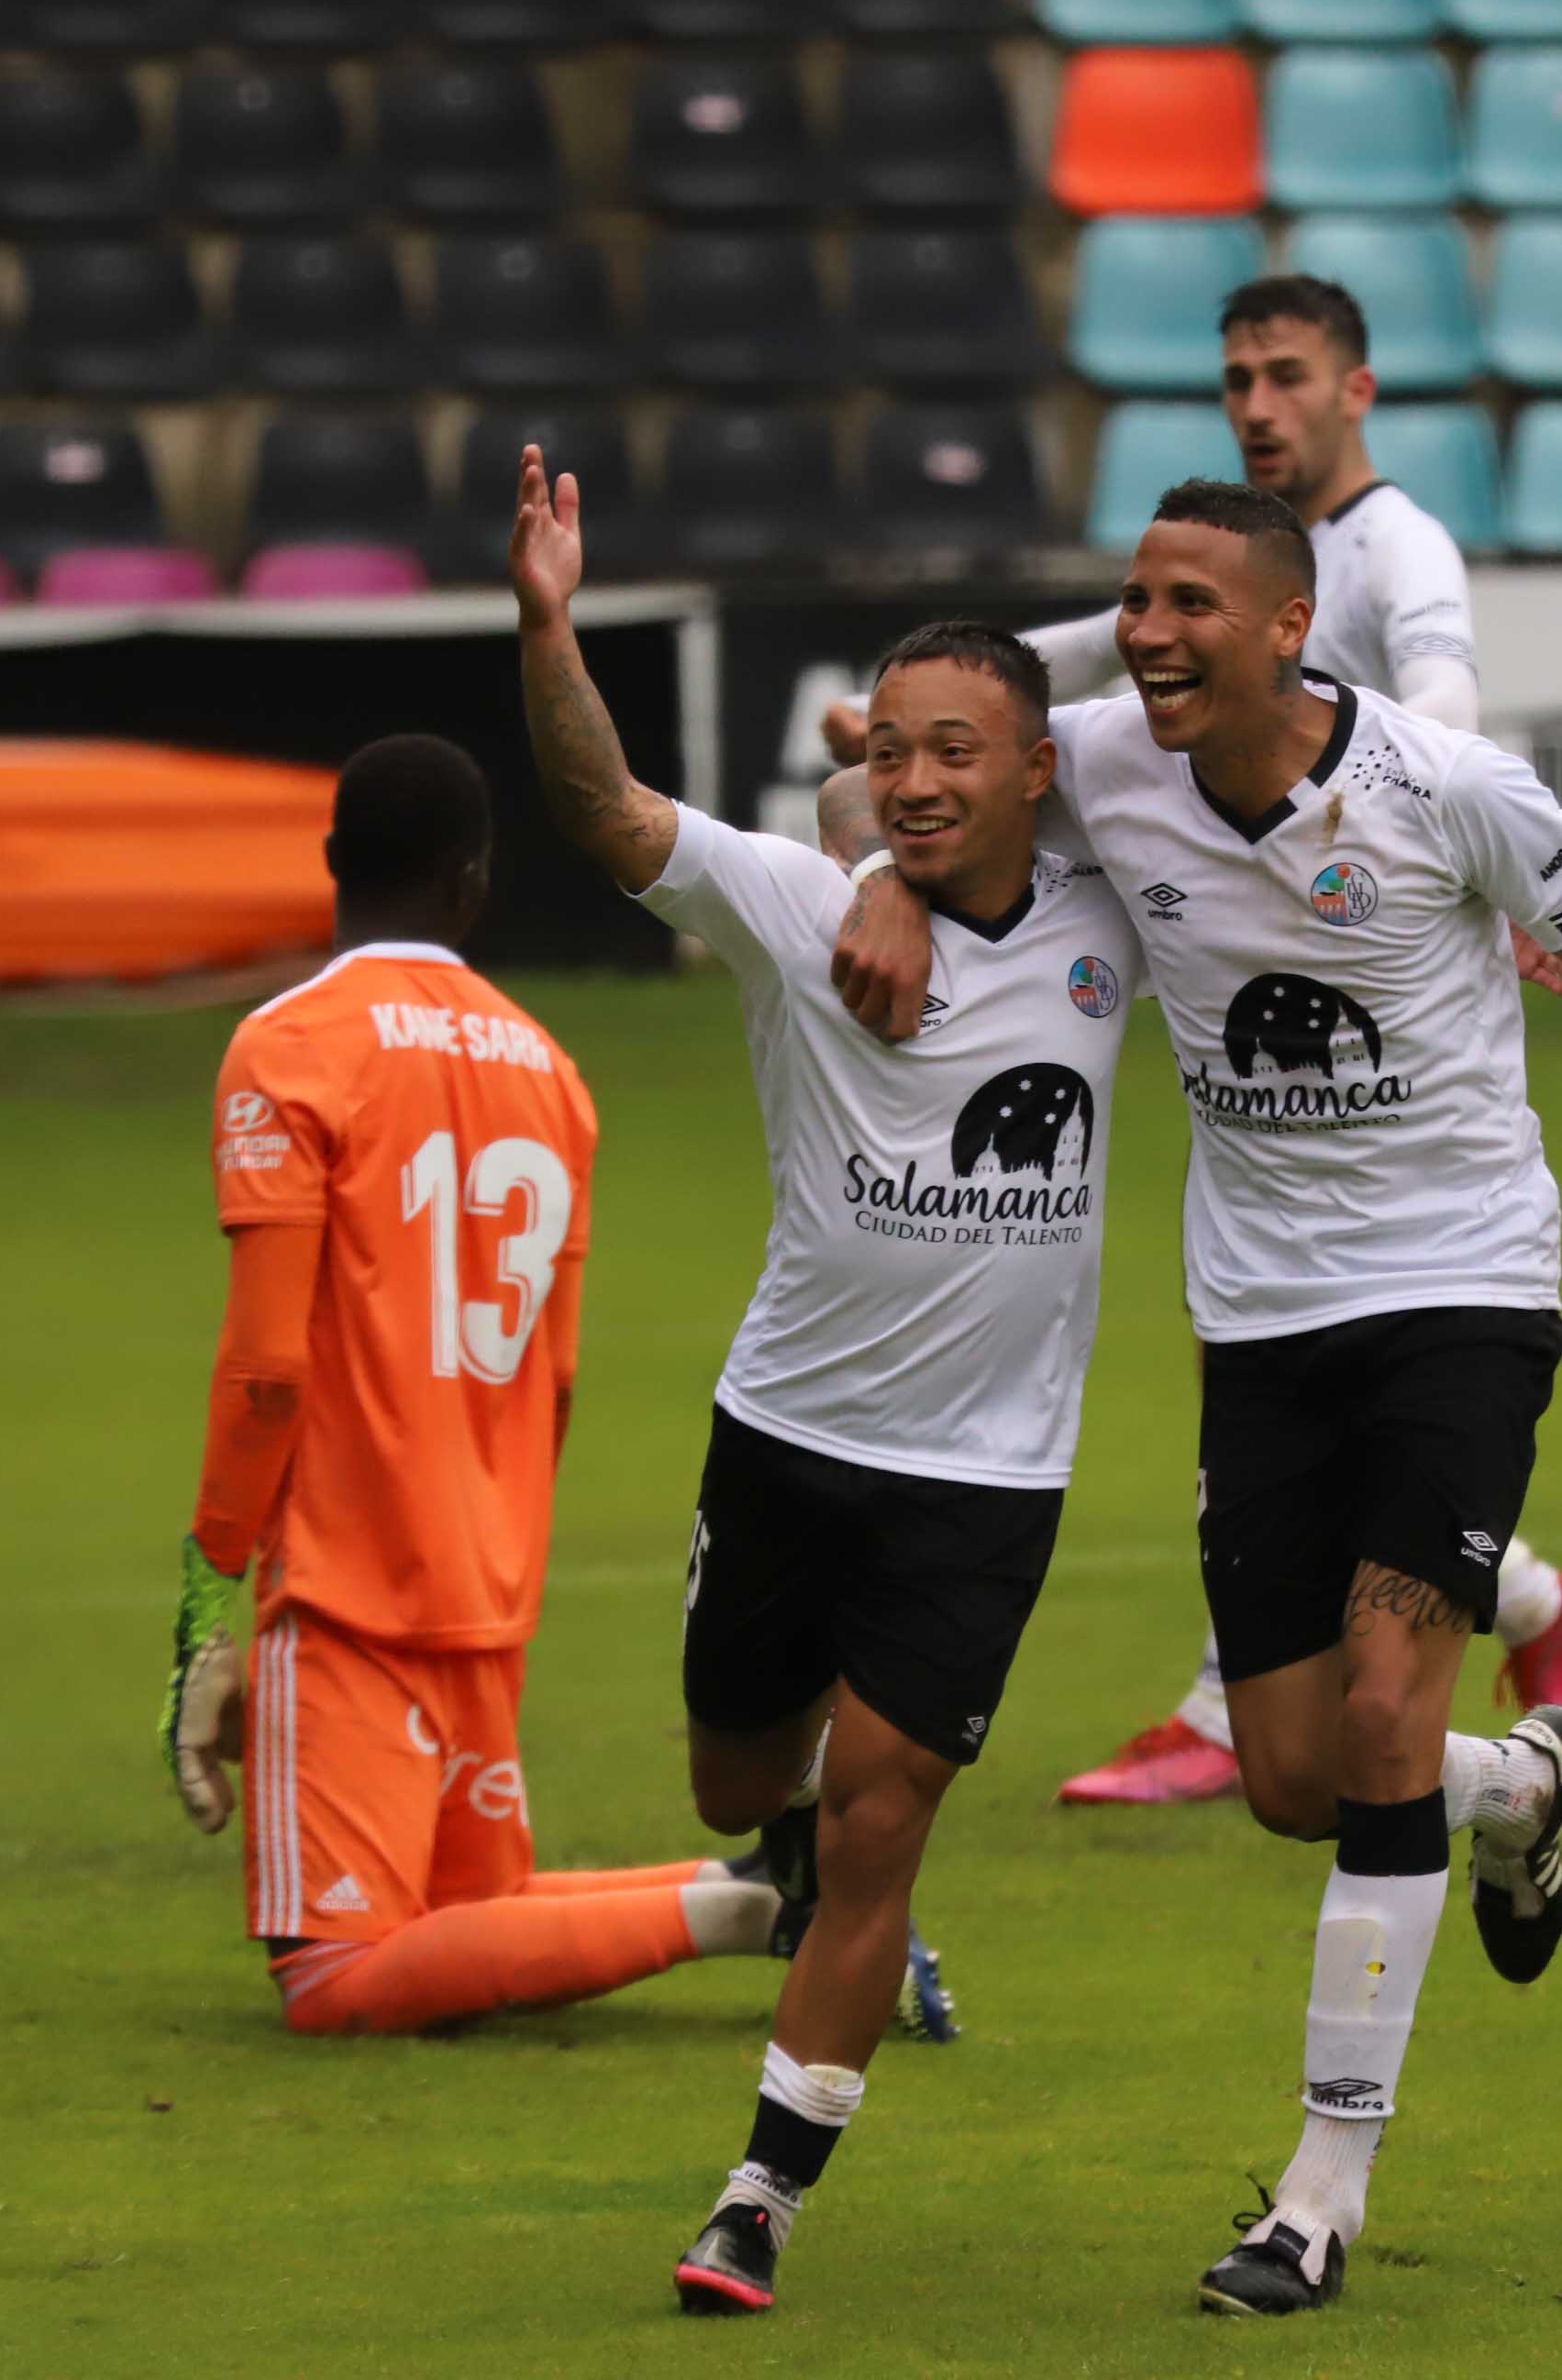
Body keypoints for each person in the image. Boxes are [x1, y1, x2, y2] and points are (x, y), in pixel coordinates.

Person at [815, 481, 1562, 2316]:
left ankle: (1314, 2195)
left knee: (1384, 1705)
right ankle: (1521, 1792)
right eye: (1133, 599)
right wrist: (872, 878)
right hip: (1259, 1331)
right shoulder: (1099, 760)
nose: (1144, 631)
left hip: (1461, 1295)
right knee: (1302, 1782)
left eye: (1187, 604)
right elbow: (875, 789)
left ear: (1289, 627)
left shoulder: (1450, 788)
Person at [826, 272, 1562, 1810]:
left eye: (1287, 375)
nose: (1259, 405)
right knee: (1285, 1353)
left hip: (1381, 954)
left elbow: (1446, 701)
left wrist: (1468, 836)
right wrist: (921, 733)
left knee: (1344, 1381)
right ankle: (1524, 1619)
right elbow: (1077, 650)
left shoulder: (1394, 550)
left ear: (1356, 390)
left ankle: (1269, 1706)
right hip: (1233, 965)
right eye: (1238, 379)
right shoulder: (1196, 594)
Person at [504, 447, 1145, 2318]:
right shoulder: (800, 898)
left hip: (990, 1473)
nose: (924, 779)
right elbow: (605, 809)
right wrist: (548, 622)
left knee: (885, 1808)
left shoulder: (1125, 913)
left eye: (962, 748)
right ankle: (777, 1860)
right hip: (787, 1434)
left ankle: (761, 2192)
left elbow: (1243, 703)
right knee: (741, 1780)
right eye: (896, 753)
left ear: (1037, 766)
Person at [158, 735, 813, 2040]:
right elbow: (553, 1376)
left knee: (338, 1972)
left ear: (334, 862)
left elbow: (267, 1373)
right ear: (474, 882)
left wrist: (205, 1603)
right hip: (488, 1571)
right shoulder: (548, 1070)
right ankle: (776, 1889)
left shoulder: (288, 1051)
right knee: (473, 1921)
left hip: (350, 1584)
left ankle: (753, 1912)